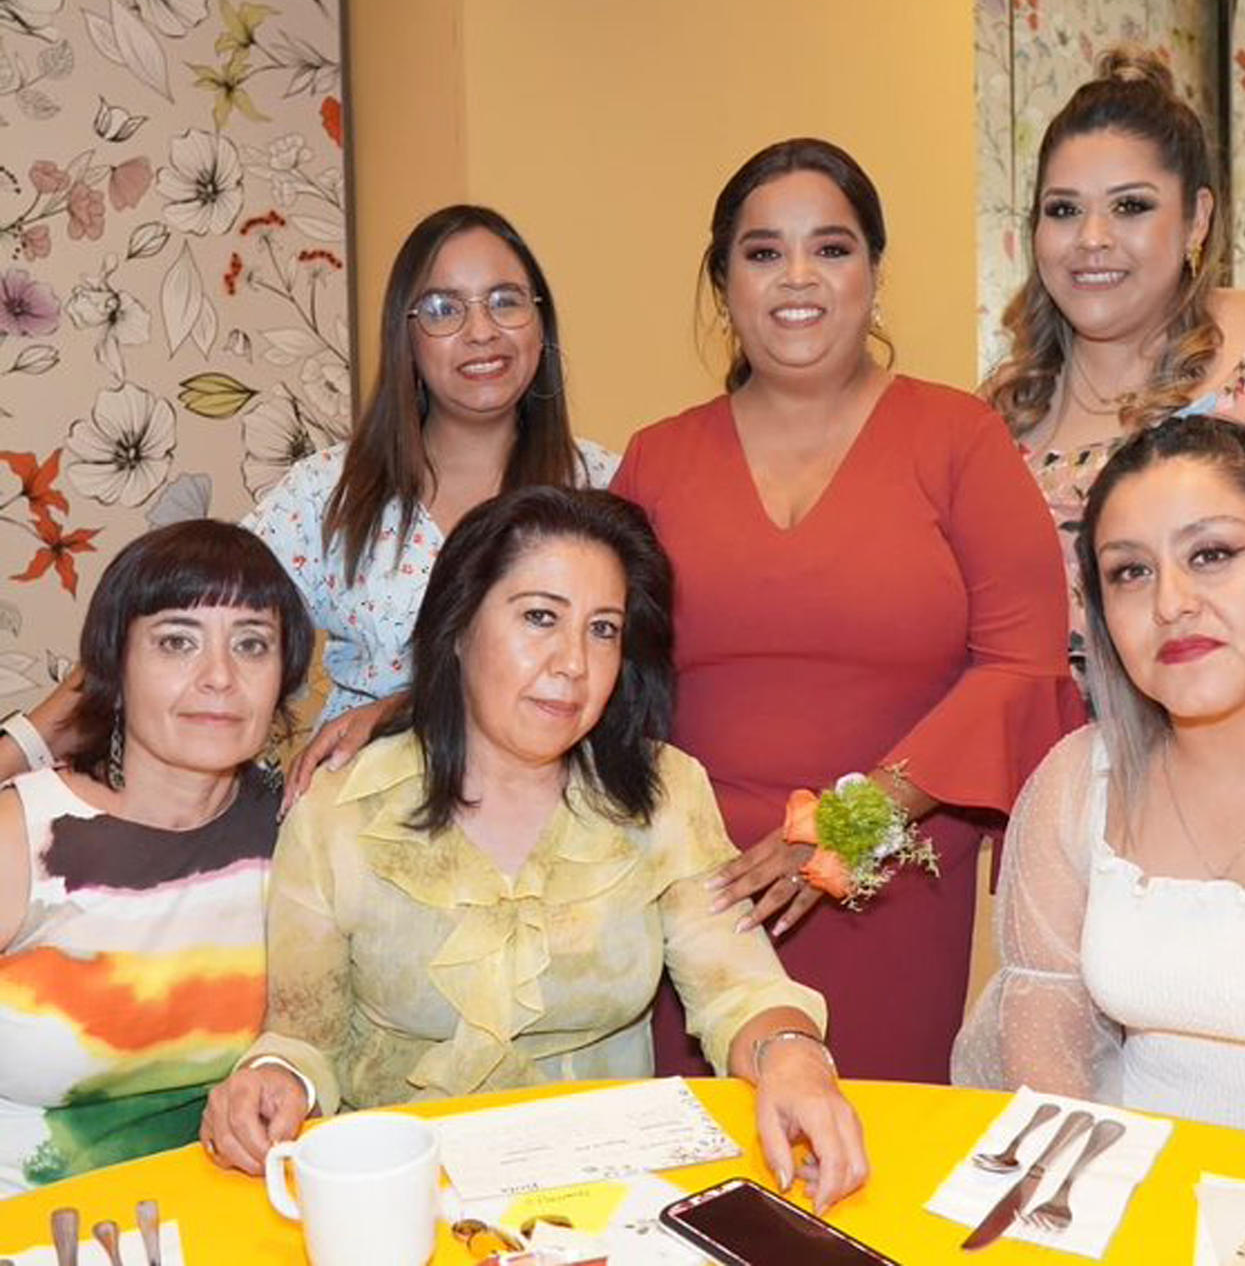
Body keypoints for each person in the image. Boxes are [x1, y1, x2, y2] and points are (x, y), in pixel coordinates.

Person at [201, 487, 866, 1213]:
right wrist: (271, 1078)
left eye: (603, 629)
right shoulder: (339, 810)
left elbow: (740, 990)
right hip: (408, 1204)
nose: (574, 664)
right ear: (458, 627)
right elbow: (303, 1038)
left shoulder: (666, 793)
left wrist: (793, 1056)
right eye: (540, 618)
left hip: (612, 1201)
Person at [612, 138, 1084, 1083]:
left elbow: (1022, 670)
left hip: (889, 886)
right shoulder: (655, 459)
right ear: (723, 281)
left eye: (831, 248)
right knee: (693, 1178)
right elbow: (586, 664)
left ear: (873, 270)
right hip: (699, 891)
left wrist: (845, 829)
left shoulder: (959, 438)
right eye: (762, 252)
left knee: (872, 1177)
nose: (798, 278)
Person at [2, 205, 617, 803]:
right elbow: (173, 623)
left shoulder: (605, 487)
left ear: (541, 322)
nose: (481, 330)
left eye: (506, 300)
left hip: (552, 827)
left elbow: (639, 677)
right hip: (355, 831)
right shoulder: (334, 492)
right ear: (404, 337)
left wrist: (402, 709)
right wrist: (19, 748)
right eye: (442, 309)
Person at [953, 416, 1245, 1135]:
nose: (1171, 604)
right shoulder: (1080, 781)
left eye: (1213, 553)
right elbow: (1050, 1058)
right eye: (1131, 572)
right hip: (1130, 1205)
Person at [0, 521, 313, 1195]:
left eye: (252, 645)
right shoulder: (23, 837)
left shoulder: (304, 829)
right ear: (113, 665)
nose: (220, 678)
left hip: (249, 1225)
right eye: (177, 642)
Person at [987, 46, 1245, 684]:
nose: (1092, 238)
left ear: (1197, 218)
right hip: (1062, 770)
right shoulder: (1002, 417)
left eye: (1130, 206)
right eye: (1063, 210)